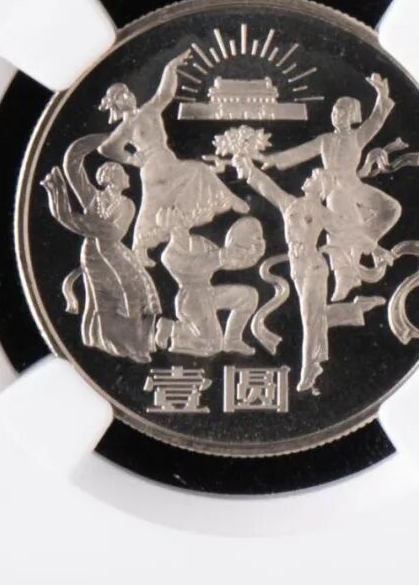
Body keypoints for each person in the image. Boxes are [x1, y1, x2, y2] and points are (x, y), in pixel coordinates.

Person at [234, 158, 382, 393]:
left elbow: (350, 232)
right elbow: (267, 187)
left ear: (321, 186)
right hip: (297, 268)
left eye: (314, 177)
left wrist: (376, 249)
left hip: (314, 267)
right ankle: (355, 309)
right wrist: (248, 169)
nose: (308, 178)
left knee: (310, 319)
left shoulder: (322, 213)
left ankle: (309, 369)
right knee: (314, 315)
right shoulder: (290, 204)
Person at [260, 73, 401, 299]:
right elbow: (302, 151)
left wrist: (381, 95)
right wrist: (274, 160)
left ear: (352, 116)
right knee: (342, 226)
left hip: (354, 185)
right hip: (334, 189)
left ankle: (362, 243)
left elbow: (376, 121)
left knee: (391, 208)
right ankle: (345, 276)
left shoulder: (357, 137)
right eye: (335, 112)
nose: (337, 116)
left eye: (343, 113)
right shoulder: (325, 140)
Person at [98, 49, 249, 258]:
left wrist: (170, 69)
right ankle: (140, 249)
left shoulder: (149, 110)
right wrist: (130, 158)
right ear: (117, 104)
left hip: (167, 159)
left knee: (188, 181)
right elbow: (106, 148)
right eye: (122, 96)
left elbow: (165, 94)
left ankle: (145, 246)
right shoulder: (126, 127)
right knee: (153, 205)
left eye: (128, 92)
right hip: (153, 166)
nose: (128, 96)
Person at [40, 133, 160, 363]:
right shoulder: (92, 197)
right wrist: (107, 140)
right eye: (123, 173)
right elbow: (72, 163)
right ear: (113, 178)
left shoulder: (127, 204)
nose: (128, 177)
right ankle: (116, 346)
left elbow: (114, 233)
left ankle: (137, 344)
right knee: (104, 300)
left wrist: (73, 219)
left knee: (139, 292)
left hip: (114, 253)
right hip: (93, 255)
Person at [156, 216, 266, 357]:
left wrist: (251, 255)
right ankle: (171, 327)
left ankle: (233, 340)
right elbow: (192, 267)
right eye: (177, 221)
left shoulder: (200, 242)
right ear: (169, 228)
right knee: (212, 345)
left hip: (208, 292)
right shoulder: (168, 255)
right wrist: (221, 255)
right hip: (191, 298)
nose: (183, 221)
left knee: (248, 296)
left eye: (183, 218)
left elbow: (227, 263)